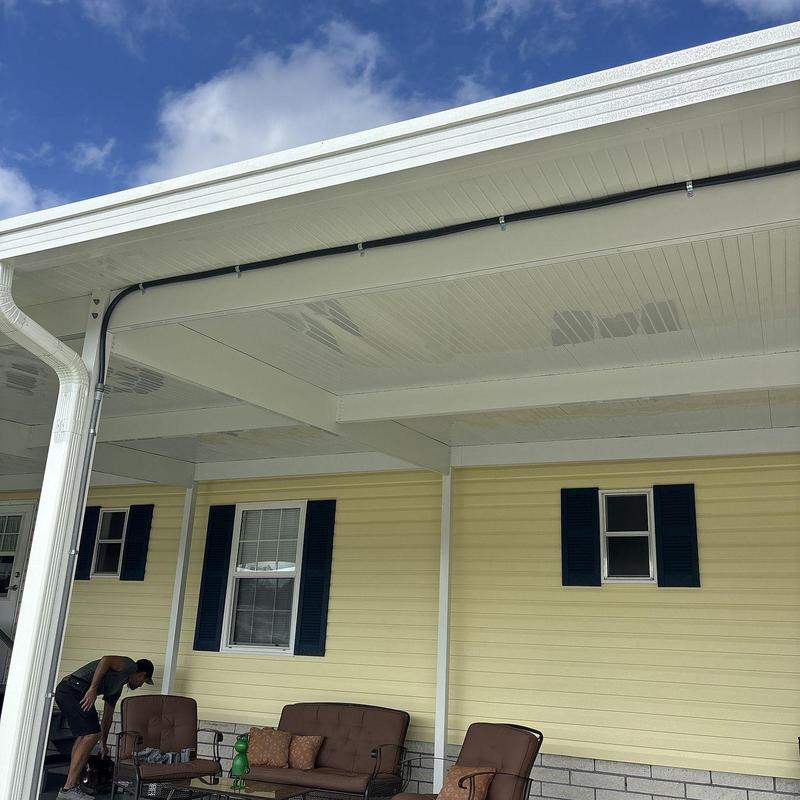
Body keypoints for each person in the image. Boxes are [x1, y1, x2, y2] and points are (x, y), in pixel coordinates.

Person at [53, 655, 154, 800]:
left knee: (85, 736)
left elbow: (107, 717)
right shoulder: (129, 665)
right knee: (91, 734)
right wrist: (93, 689)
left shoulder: (117, 687)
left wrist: (103, 743)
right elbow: (106, 660)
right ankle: (69, 788)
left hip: (70, 692)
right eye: (142, 682)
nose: (139, 685)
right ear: (142, 674)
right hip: (73, 688)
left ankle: (70, 787)